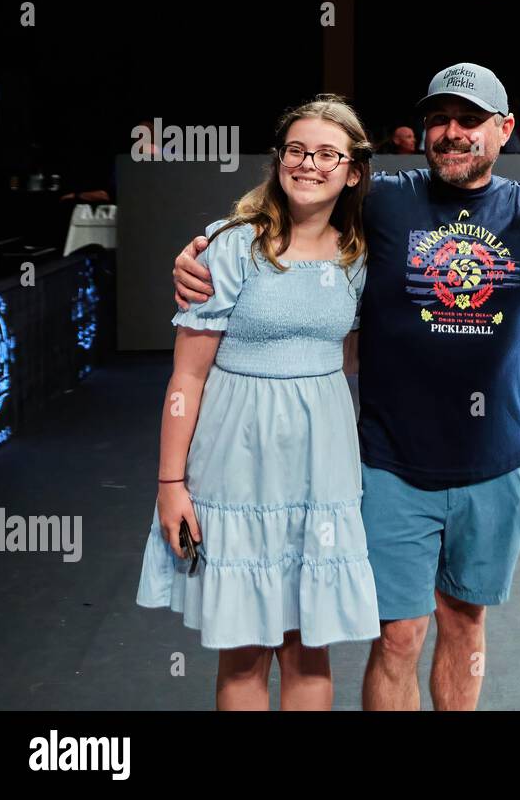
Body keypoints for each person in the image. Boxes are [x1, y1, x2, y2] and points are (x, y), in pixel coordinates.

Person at [174, 64, 520, 711]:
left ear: (505, 129)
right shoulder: (386, 203)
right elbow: (298, 204)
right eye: (440, 120)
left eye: (470, 120)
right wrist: (202, 250)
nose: (453, 133)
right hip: (389, 465)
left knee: (466, 625)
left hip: (494, 464)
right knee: (398, 635)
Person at [138, 95, 380, 710]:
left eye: (328, 154)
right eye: (296, 151)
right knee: (244, 647)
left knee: (309, 644)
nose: (309, 164)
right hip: (236, 458)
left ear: (352, 171)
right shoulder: (229, 246)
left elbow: (345, 355)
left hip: (321, 461)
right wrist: (171, 483)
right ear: (278, 162)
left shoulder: (358, 256)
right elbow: (186, 380)